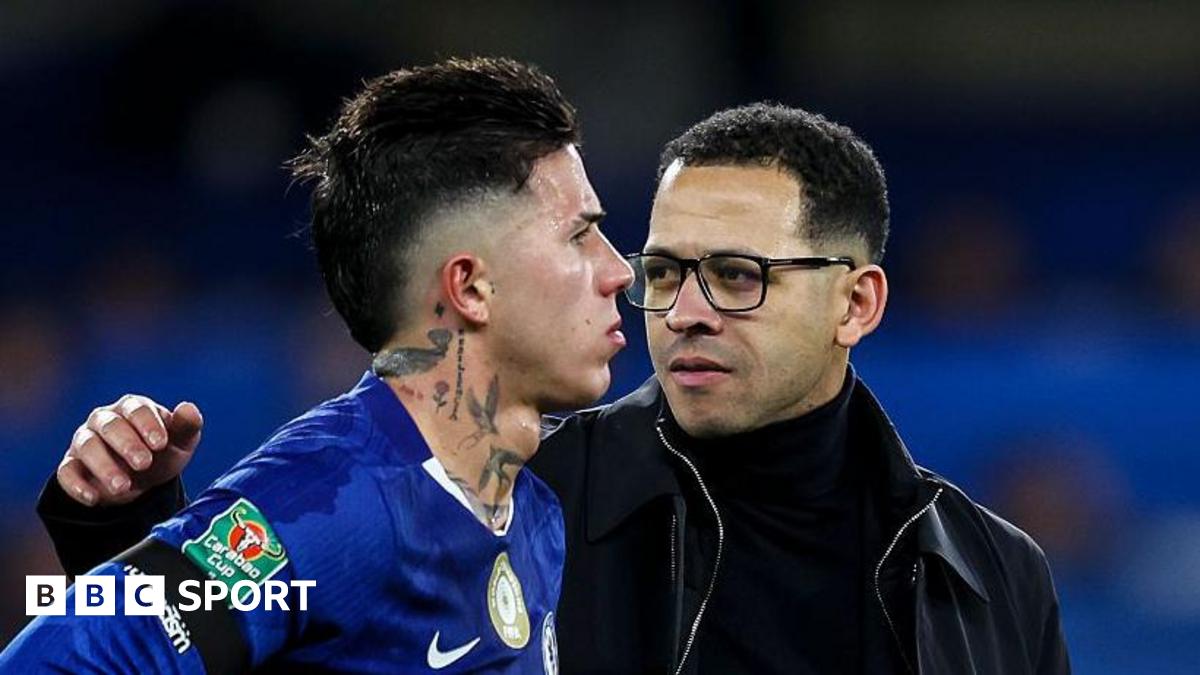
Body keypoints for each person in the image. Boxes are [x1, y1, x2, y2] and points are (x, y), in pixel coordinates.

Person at [34, 104, 1070, 674]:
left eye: (739, 276)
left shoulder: (987, 571)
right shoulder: (533, 485)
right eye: (665, 270)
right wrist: (124, 547)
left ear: (858, 304)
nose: (674, 305)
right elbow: (167, 629)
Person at [2, 56, 633, 673]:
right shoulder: (334, 499)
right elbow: (57, 659)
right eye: (579, 236)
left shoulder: (534, 513)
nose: (618, 271)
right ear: (469, 287)